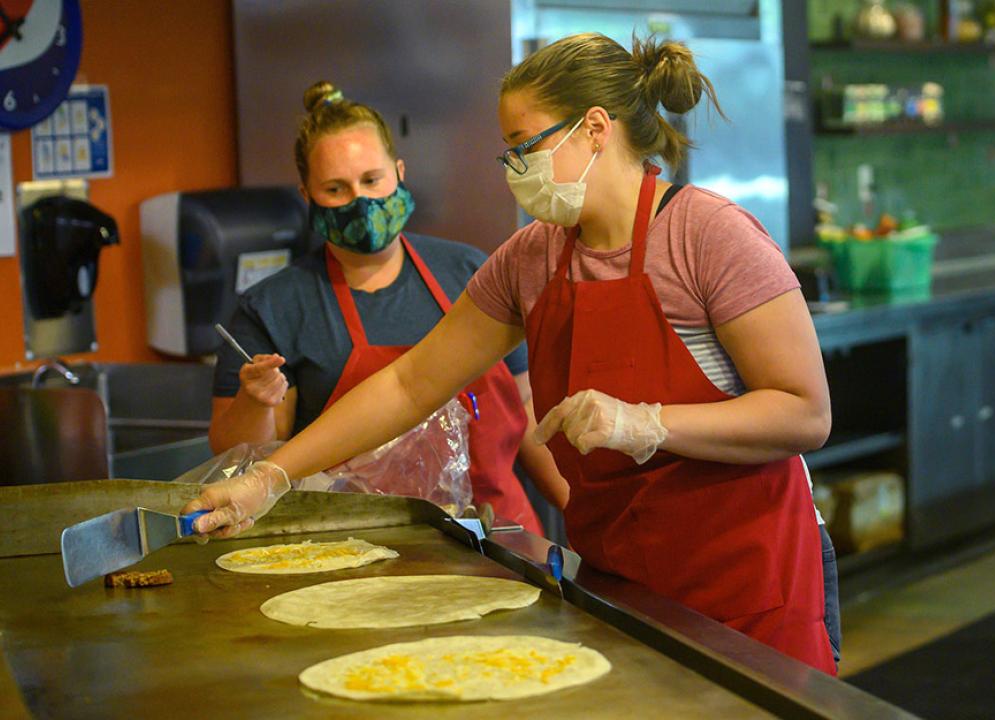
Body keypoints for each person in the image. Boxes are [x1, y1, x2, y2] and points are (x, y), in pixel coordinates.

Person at [185, 35, 838, 675]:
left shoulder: (708, 237)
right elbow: (411, 384)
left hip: (746, 590)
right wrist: (270, 479)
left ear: (595, 129)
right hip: (625, 585)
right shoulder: (534, 258)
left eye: (524, 146)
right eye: (507, 152)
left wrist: (651, 424)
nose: (512, 168)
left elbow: (804, 412)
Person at [208, 81, 566, 534]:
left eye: (372, 180)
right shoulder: (275, 307)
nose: (360, 201)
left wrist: (579, 509)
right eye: (336, 188)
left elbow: (529, 407)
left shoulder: (471, 272)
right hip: (351, 547)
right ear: (307, 196)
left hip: (502, 538)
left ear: (399, 172)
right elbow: (242, 457)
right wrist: (254, 401)